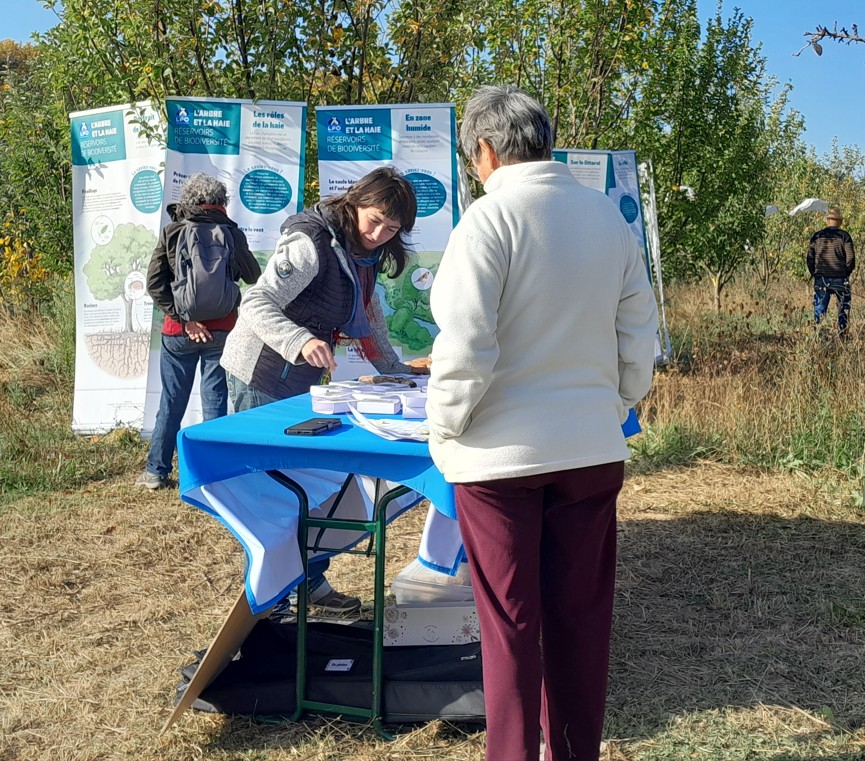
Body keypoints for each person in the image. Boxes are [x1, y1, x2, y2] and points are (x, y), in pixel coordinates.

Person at [425, 86, 658, 761]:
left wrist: (444, 428)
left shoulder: (487, 221)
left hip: (498, 459)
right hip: (590, 448)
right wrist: (614, 403)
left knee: (510, 627)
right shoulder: (607, 219)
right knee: (580, 618)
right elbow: (637, 333)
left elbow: (465, 346)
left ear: (485, 151)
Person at [220, 166, 427, 614]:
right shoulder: (310, 242)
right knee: (272, 494)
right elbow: (255, 301)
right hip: (259, 371)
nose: (379, 234)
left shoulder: (363, 254)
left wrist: (396, 371)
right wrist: (299, 340)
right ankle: (270, 603)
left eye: (392, 229)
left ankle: (308, 582)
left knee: (308, 488)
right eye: (375, 220)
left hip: (298, 379)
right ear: (355, 202)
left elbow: (369, 315)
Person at [135, 173, 261, 489]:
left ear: (189, 200)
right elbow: (253, 275)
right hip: (222, 331)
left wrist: (186, 320)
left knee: (171, 403)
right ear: (221, 202)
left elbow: (154, 284)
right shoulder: (231, 232)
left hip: (178, 332)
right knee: (215, 402)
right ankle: (211, 474)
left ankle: (156, 472)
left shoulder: (173, 231)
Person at [807, 206, 855, 337]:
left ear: (827, 221)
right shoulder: (844, 236)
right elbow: (850, 258)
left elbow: (810, 258)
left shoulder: (817, 236)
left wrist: (815, 274)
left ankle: (819, 336)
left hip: (821, 279)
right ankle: (843, 335)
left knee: (819, 310)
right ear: (840, 222)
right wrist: (845, 272)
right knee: (843, 309)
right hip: (840, 278)